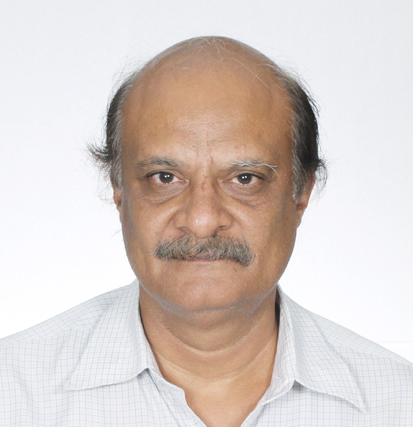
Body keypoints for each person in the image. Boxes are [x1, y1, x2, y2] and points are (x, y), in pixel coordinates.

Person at [0, 36, 412, 427]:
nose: (201, 220)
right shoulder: (13, 395)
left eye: (245, 179)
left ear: (300, 193)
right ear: (119, 190)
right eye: (164, 177)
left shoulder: (397, 404)